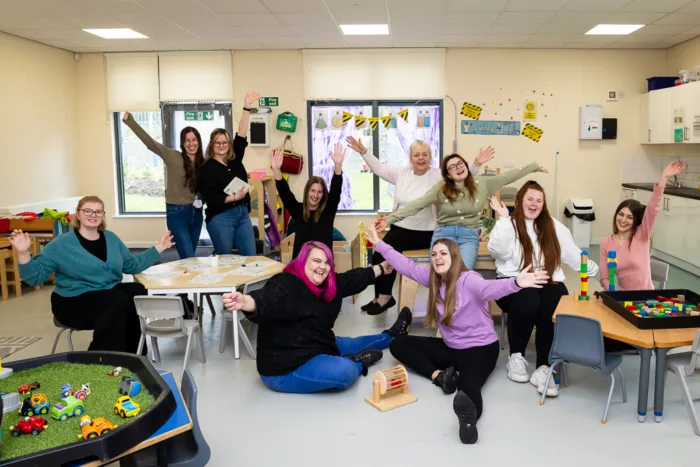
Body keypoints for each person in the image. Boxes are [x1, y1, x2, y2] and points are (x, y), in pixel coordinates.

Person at [364, 224, 548, 444]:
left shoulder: (469, 280)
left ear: (454, 256)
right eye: (434, 254)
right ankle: (440, 377)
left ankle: (468, 421)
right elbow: (406, 266)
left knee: (469, 386)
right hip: (451, 347)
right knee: (398, 344)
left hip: (480, 349)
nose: (437, 258)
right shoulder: (433, 278)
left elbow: (491, 290)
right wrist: (380, 245)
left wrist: (517, 283)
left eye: (443, 253)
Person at [221, 241, 413, 394]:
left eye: (326, 262)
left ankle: (392, 335)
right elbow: (269, 298)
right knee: (343, 373)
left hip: (317, 344)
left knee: (353, 343)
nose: (322, 267)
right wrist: (246, 301)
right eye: (316, 261)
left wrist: (381, 268)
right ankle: (357, 362)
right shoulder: (287, 283)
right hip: (284, 367)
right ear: (303, 261)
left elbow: (352, 279)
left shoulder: (329, 284)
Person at [346, 136, 495, 315]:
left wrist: (476, 164)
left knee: (389, 249)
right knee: (379, 251)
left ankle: (384, 298)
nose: (421, 158)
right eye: (417, 155)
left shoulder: (438, 175)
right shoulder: (401, 173)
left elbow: (463, 176)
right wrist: (363, 151)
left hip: (428, 232)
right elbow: (378, 168)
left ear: (430, 157)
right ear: (410, 157)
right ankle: (383, 296)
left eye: (425, 154)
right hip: (401, 227)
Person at [10, 196, 174, 353]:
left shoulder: (111, 238)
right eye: (87, 211)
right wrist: (23, 253)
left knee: (136, 291)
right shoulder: (61, 244)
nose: (93, 215)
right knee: (117, 300)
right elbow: (34, 277)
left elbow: (131, 265)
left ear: (103, 215)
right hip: (71, 302)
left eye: (98, 211)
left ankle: (133, 354)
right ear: (78, 214)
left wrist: (158, 248)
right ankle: (99, 358)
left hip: (105, 295)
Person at [488, 181, 599, 397]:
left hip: (548, 281)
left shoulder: (555, 226)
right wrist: (502, 219)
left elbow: (574, 255)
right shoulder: (508, 224)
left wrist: (601, 275)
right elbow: (498, 253)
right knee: (528, 300)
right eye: (530, 199)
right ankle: (516, 356)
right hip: (513, 281)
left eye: (539, 201)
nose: (534, 204)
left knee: (554, 302)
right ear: (520, 201)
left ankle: (543, 366)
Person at [377, 154, 546, 269]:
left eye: (460, 164)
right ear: (448, 175)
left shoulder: (483, 184)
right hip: (444, 235)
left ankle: (459, 316)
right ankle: (442, 315)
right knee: (441, 274)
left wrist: (534, 166)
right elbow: (417, 204)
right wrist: (389, 219)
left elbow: (511, 175)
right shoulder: (441, 189)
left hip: (468, 236)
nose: (458, 167)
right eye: (452, 167)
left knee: (463, 274)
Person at [121, 112, 204, 259]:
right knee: (189, 257)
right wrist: (130, 121)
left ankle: (187, 280)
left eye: (194, 140)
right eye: (187, 140)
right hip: (177, 214)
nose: (191, 144)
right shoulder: (172, 156)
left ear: (199, 141)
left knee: (190, 256)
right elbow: (150, 143)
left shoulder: (203, 163)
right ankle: (190, 281)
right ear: (182, 143)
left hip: (196, 214)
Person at [600, 160, 685, 291]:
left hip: (646, 297)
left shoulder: (642, 235)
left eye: (629, 217)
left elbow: (653, 208)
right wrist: (613, 294)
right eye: (621, 214)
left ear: (636, 220)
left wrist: (664, 178)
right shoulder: (605, 243)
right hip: (623, 299)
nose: (623, 220)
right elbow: (605, 277)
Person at [198, 92, 259, 255]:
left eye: (224, 142)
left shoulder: (235, 159)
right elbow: (210, 197)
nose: (221, 145)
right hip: (220, 217)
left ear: (229, 144)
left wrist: (247, 107)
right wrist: (233, 198)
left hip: (242, 214)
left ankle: (246, 281)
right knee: (225, 259)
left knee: (250, 257)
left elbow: (242, 134)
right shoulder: (207, 168)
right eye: (217, 142)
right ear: (212, 145)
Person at [271, 143, 345, 259]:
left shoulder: (328, 211)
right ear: (307, 192)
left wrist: (338, 166)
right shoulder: (298, 210)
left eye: (319, 192)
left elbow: (336, 190)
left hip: (322, 266)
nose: (315, 195)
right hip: (300, 265)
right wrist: (276, 169)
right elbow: (285, 193)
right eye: (312, 191)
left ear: (323, 195)